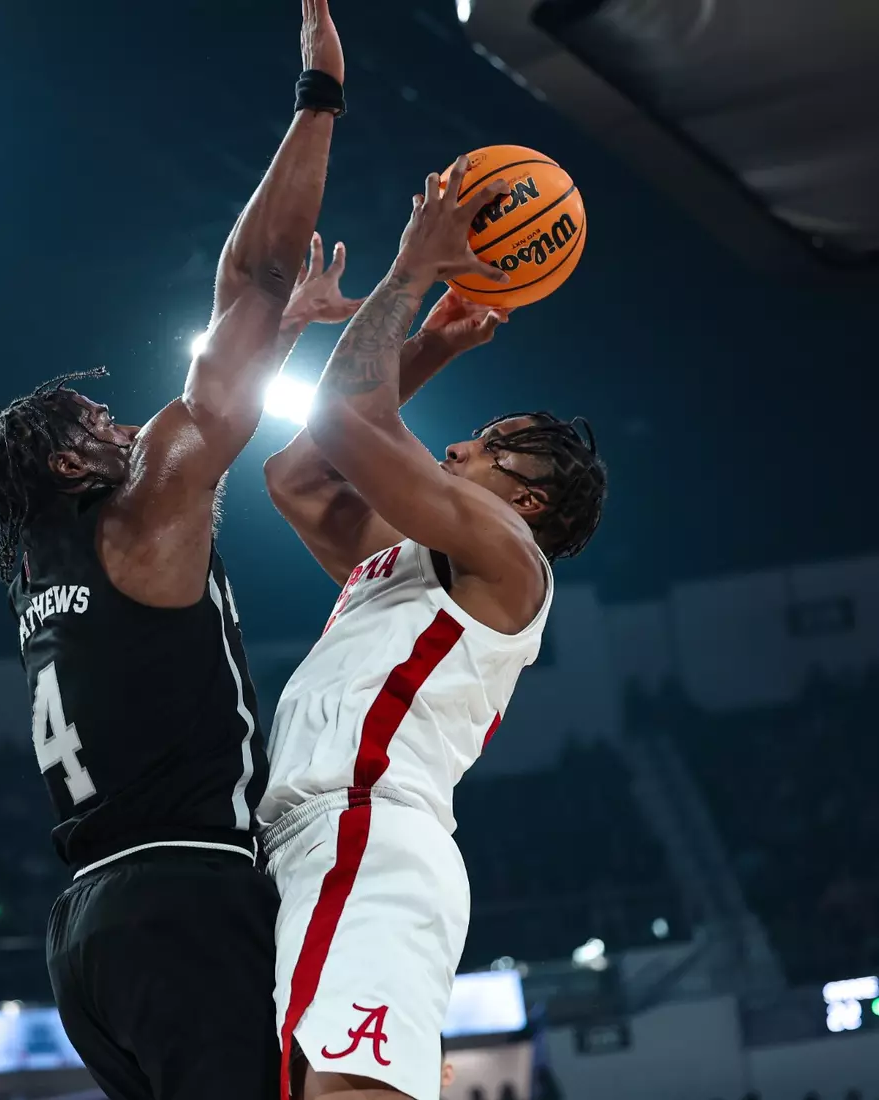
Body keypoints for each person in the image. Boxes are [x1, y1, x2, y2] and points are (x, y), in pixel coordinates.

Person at [0, 3, 354, 1098]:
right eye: (98, 428)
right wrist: (318, 98)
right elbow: (250, 282)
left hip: (88, 928)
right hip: (184, 893)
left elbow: (217, 378)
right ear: (65, 468)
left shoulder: (48, 570)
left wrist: (266, 345)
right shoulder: (142, 508)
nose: (127, 425)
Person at [260, 160, 607, 1100]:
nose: (460, 446)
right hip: (313, 844)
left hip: (371, 836)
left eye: (491, 450)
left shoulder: (507, 555)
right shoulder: (420, 561)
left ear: (528, 499)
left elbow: (341, 418)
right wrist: (438, 345)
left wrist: (410, 273)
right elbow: (295, 479)